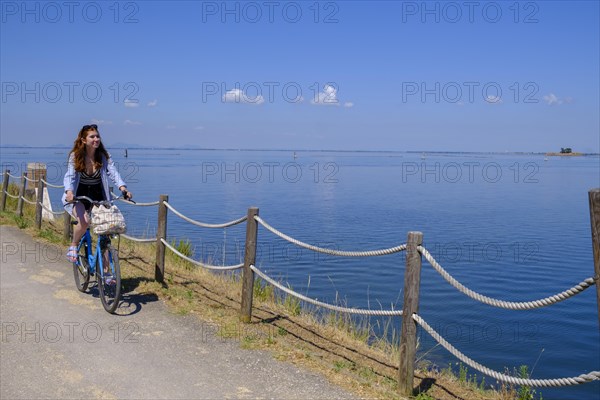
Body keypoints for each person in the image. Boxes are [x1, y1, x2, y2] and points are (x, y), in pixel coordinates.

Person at [62, 124, 133, 263]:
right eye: (92, 136)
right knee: (84, 222)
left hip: (99, 196)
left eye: (97, 136)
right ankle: (74, 245)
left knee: (106, 234)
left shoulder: (103, 156)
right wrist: (69, 192)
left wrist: (123, 188)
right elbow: (70, 176)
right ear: (83, 140)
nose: (96, 139)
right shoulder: (75, 156)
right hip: (79, 196)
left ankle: (106, 273)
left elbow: (113, 173)